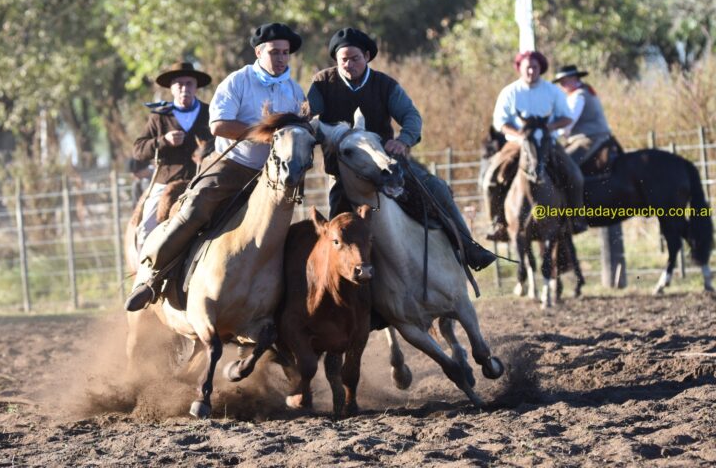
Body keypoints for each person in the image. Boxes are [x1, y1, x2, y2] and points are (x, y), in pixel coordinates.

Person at [125, 22, 305, 312]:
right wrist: (264, 133)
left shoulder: (295, 91)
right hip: (234, 166)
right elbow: (218, 124)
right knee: (195, 206)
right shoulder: (238, 81)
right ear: (259, 52)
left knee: (291, 231)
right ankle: (152, 276)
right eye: (275, 52)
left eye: (285, 53)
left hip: (274, 177)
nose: (282, 58)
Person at [307, 27, 495, 271]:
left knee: (436, 188)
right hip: (344, 171)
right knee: (337, 224)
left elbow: (411, 116)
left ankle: (470, 248)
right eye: (344, 59)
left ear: (366, 56)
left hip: (388, 163)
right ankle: (330, 280)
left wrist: (404, 140)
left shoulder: (384, 84)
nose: (349, 64)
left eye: (355, 58)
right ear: (336, 60)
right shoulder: (323, 83)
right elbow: (309, 114)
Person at [482, 51, 587, 242]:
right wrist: (520, 135)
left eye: (535, 67)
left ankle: (575, 219)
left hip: (547, 143)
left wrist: (547, 128)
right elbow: (500, 122)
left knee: (576, 176)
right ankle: (497, 223)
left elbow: (566, 117)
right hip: (516, 144)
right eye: (527, 67)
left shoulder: (552, 91)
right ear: (520, 69)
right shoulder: (510, 92)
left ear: (541, 69)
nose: (531, 71)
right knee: (489, 179)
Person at [132, 62, 214, 252]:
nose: (184, 88)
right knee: (146, 229)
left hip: (204, 180)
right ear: (171, 87)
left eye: (189, 83)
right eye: (179, 84)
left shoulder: (210, 113)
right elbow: (138, 149)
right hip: (166, 181)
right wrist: (163, 141)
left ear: (196, 86)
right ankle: (146, 279)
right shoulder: (159, 117)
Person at [552, 64, 616, 168]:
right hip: (593, 136)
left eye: (564, 81)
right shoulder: (582, 91)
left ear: (574, 78)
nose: (561, 85)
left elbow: (568, 123)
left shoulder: (578, 96)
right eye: (560, 82)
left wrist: (552, 134)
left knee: (562, 165)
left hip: (590, 138)